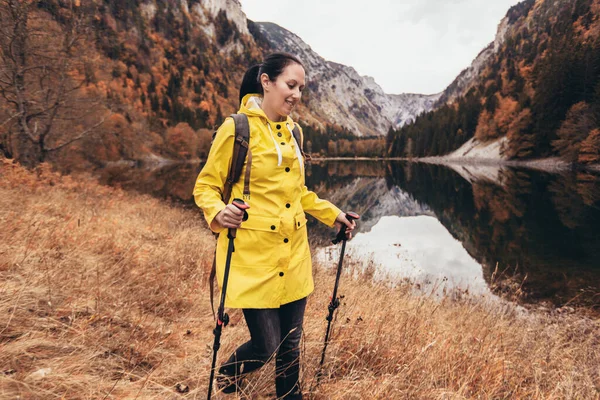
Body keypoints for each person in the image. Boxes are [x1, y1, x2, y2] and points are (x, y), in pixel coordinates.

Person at [193, 52, 355, 399]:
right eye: (290, 85)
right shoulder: (236, 128)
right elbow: (205, 186)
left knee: (290, 345)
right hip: (254, 259)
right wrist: (218, 213)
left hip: (293, 255)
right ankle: (228, 376)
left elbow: (298, 193)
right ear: (266, 82)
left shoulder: (294, 132)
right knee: (266, 345)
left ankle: (288, 395)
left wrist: (333, 214)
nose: (296, 94)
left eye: (301, 88)